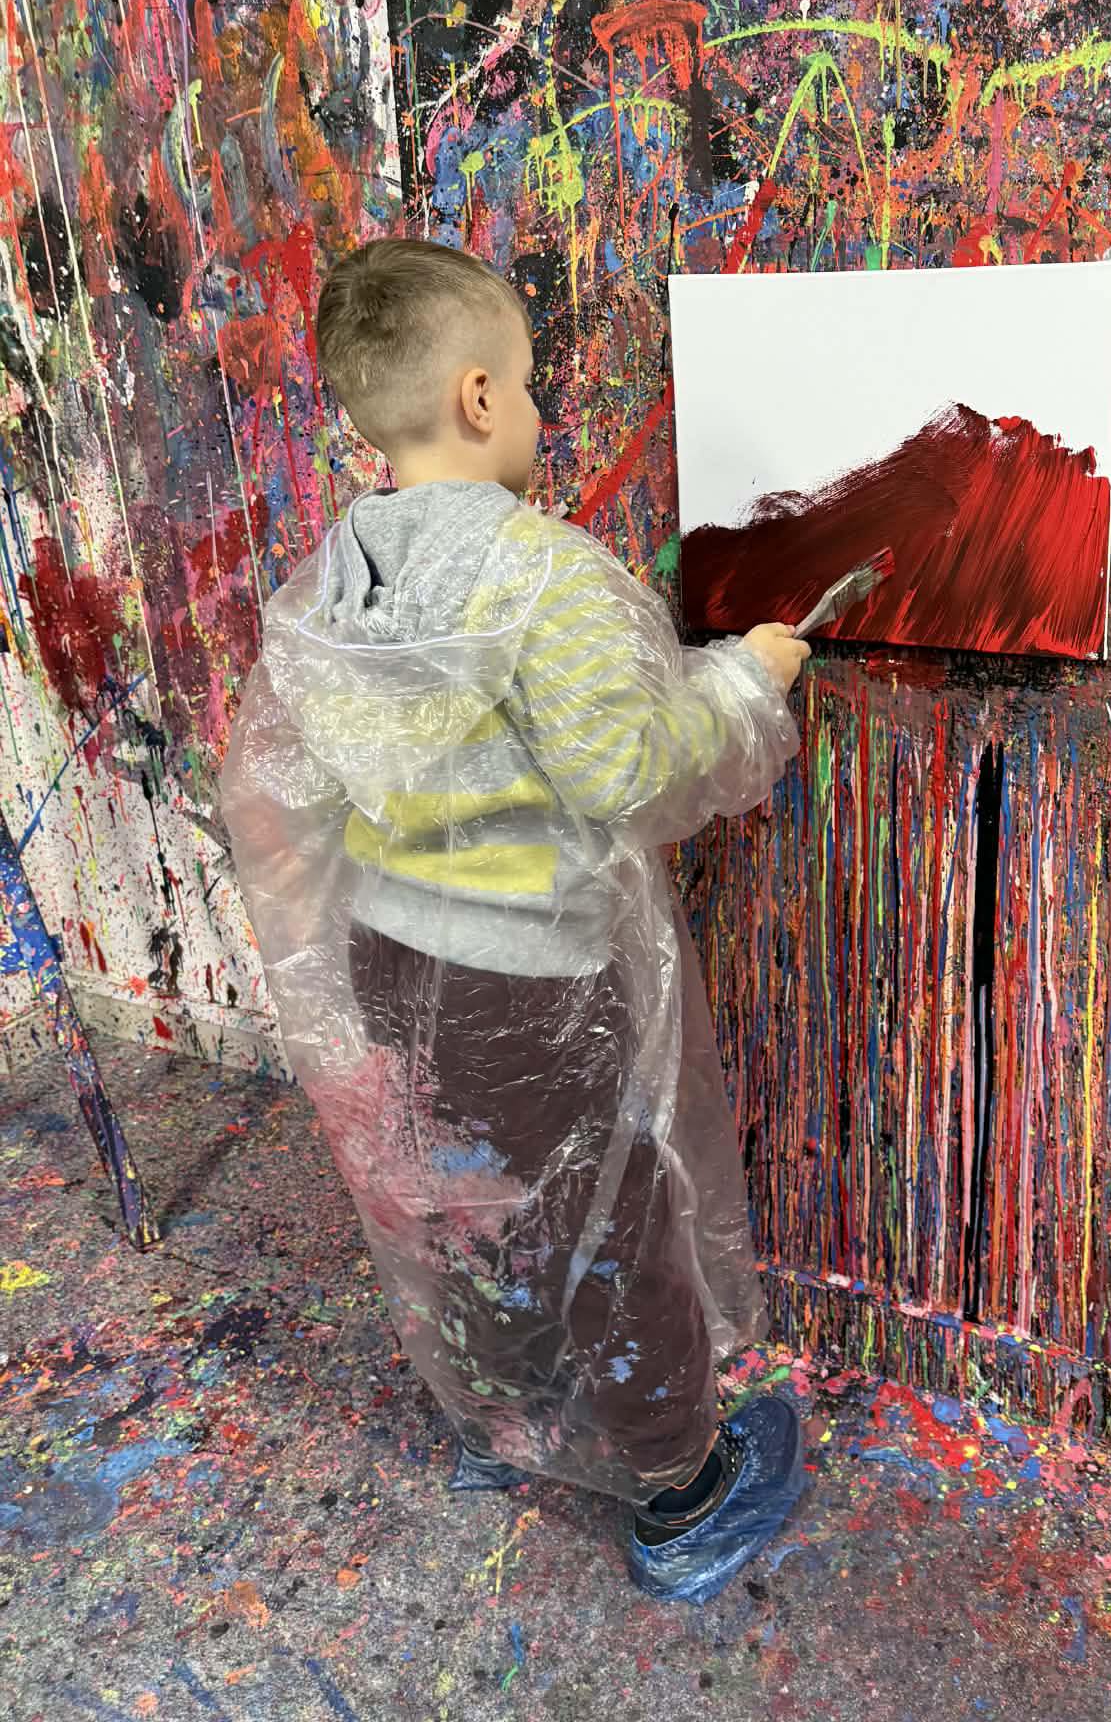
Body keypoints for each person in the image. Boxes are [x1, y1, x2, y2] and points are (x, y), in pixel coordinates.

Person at [220, 237, 810, 1602]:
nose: (539, 411)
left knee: (465, 1196)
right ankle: (680, 1488)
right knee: (612, 1221)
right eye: (532, 385)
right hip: (522, 976)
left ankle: (509, 1415)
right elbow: (627, 773)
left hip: (389, 952)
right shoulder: (542, 573)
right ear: (479, 397)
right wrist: (746, 681)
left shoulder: (345, 572)